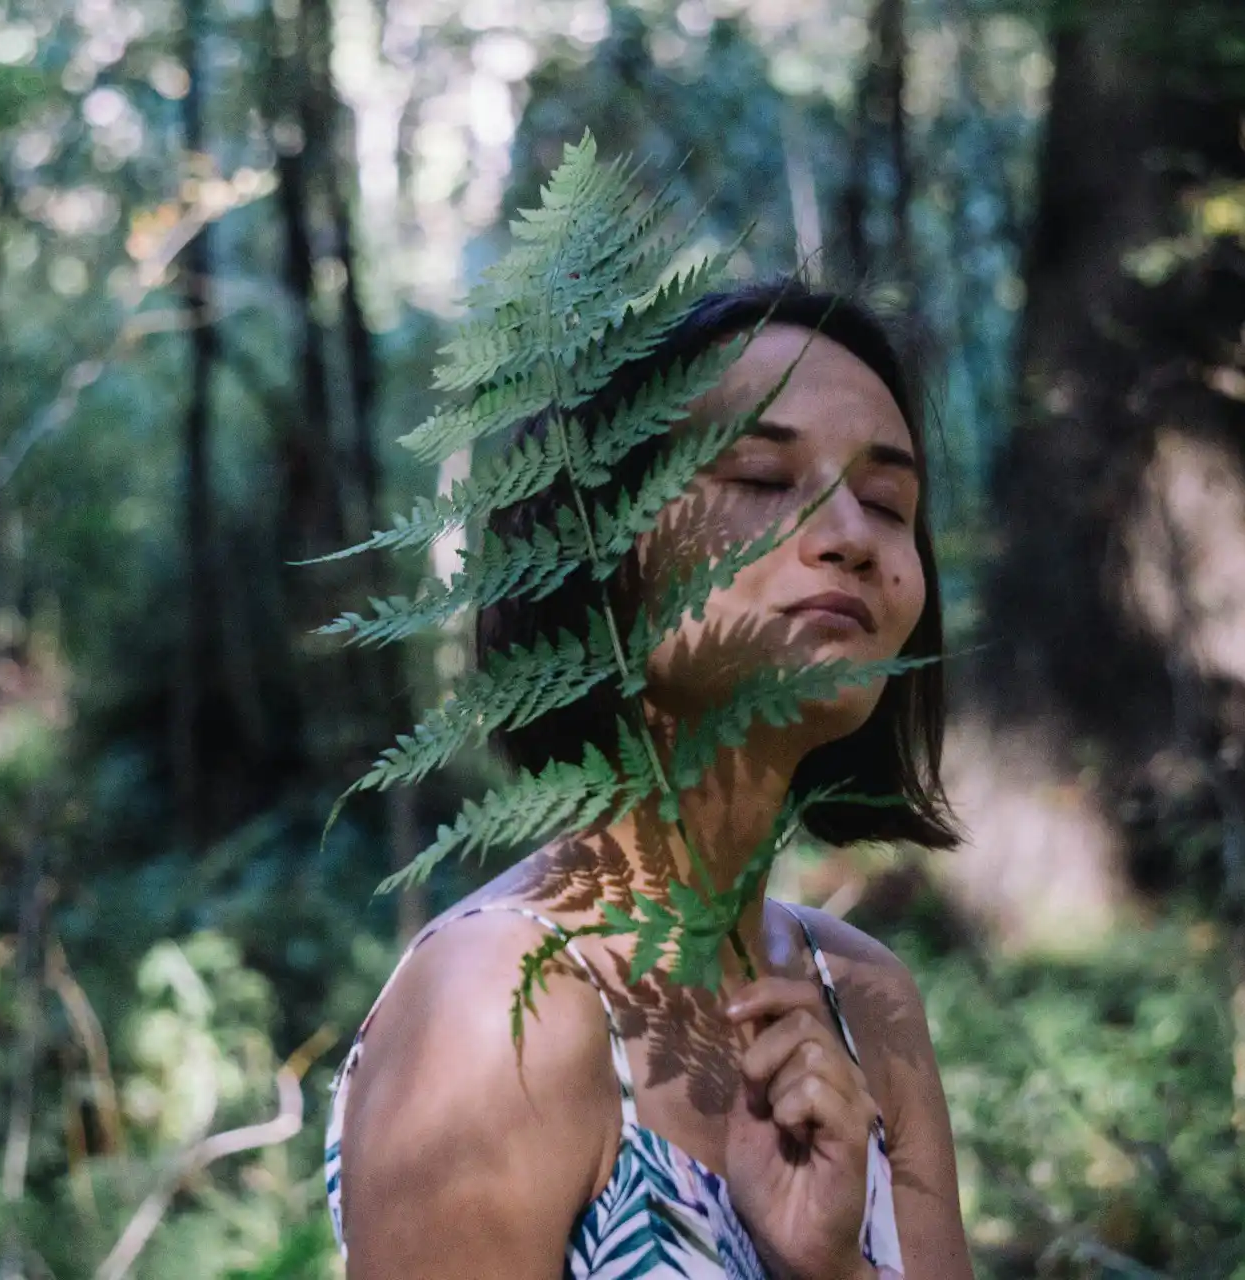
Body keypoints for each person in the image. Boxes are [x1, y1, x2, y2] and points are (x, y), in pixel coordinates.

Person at [325, 283, 975, 1280]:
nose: (852, 532)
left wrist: (832, 1268)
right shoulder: (504, 1003)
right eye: (762, 474)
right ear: (602, 555)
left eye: (889, 501)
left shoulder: (869, 1002)